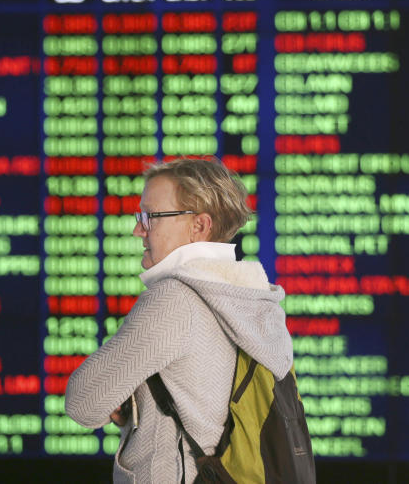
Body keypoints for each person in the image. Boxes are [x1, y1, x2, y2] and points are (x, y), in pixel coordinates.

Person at [65, 157, 294, 482]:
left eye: (150, 217)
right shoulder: (257, 299)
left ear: (199, 226)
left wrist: (117, 397)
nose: (137, 229)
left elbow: (83, 403)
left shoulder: (174, 299)